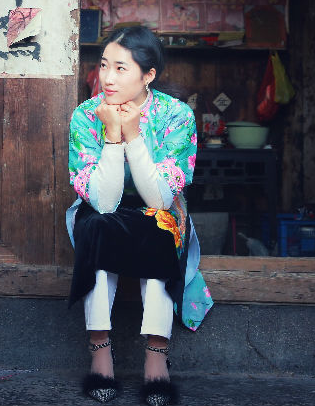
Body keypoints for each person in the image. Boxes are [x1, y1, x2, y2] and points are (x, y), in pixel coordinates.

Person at [67, 25, 213, 405]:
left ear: (148, 75)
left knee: (159, 227)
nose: (108, 78)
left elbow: (160, 199)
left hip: (157, 209)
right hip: (104, 209)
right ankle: (100, 351)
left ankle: (156, 355)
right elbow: (104, 202)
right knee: (98, 228)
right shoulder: (86, 115)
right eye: (104, 66)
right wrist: (112, 134)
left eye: (121, 68)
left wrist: (133, 134)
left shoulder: (176, 116)